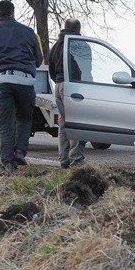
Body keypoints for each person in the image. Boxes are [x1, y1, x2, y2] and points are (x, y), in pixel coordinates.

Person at [0, 0, 43, 174]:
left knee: (5, 121)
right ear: (13, 12)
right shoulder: (29, 32)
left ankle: (8, 163)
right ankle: (20, 151)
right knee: (24, 117)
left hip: (1, 81)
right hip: (24, 80)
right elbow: (38, 60)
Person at [48, 18, 87, 169]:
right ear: (78, 29)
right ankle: (76, 159)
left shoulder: (56, 46)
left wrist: (58, 81)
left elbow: (51, 68)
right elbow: (86, 67)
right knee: (78, 121)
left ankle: (63, 159)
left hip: (58, 85)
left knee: (64, 123)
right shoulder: (77, 45)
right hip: (74, 86)